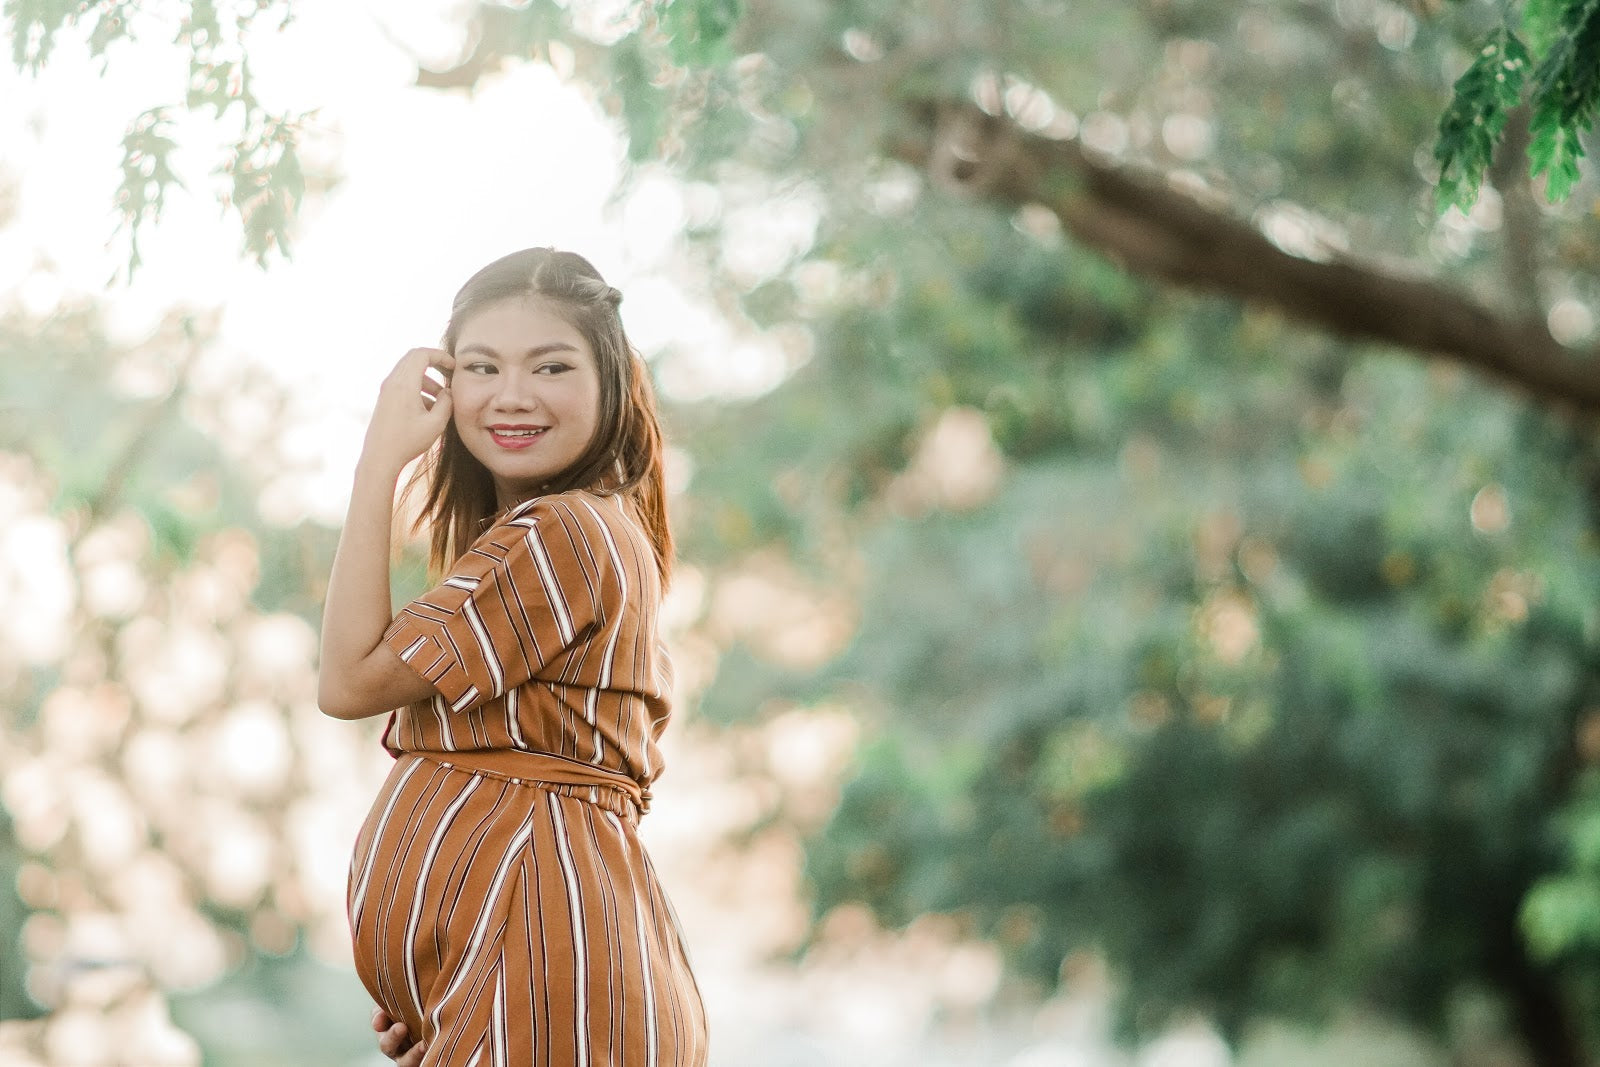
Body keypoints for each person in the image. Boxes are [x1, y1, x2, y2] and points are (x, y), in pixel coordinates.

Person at [318, 247, 708, 1066]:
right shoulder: (544, 538)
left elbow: (348, 679)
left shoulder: (565, 530)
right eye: (482, 366)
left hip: (540, 979)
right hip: (508, 983)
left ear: (610, 382)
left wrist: (378, 462)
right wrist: (438, 972)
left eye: (551, 366)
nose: (512, 395)